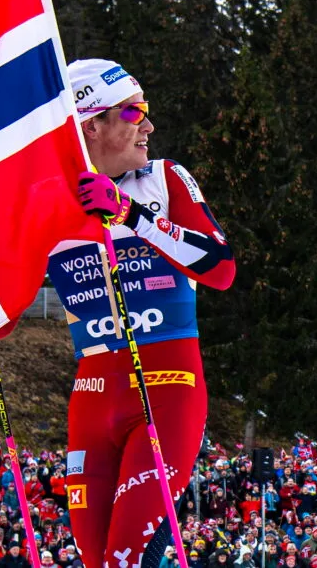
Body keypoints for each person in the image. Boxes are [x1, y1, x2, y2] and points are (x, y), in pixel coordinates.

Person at [46, 59, 235, 568]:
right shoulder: (46, 197)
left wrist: (133, 216)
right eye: (135, 111)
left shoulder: (162, 179)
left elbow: (221, 268)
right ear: (92, 123)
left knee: (127, 559)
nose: (148, 124)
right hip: (91, 399)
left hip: (167, 388)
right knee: (93, 561)